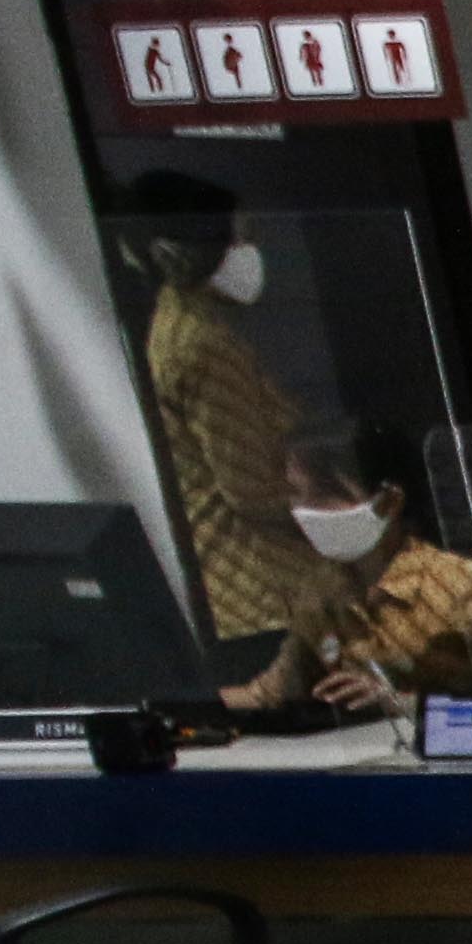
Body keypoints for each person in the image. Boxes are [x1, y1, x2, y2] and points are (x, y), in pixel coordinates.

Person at [120, 173, 339, 662]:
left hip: (238, 585)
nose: (248, 248)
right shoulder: (204, 345)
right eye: (237, 237)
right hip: (265, 589)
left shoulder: (177, 324)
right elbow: (253, 488)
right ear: (200, 248)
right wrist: (345, 507)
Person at [227, 423, 472, 719]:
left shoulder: (471, 588)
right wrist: (187, 705)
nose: (305, 509)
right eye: (297, 493)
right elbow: (267, 695)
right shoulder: (322, 595)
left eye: (325, 493)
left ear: (389, 501)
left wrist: (400, 704)